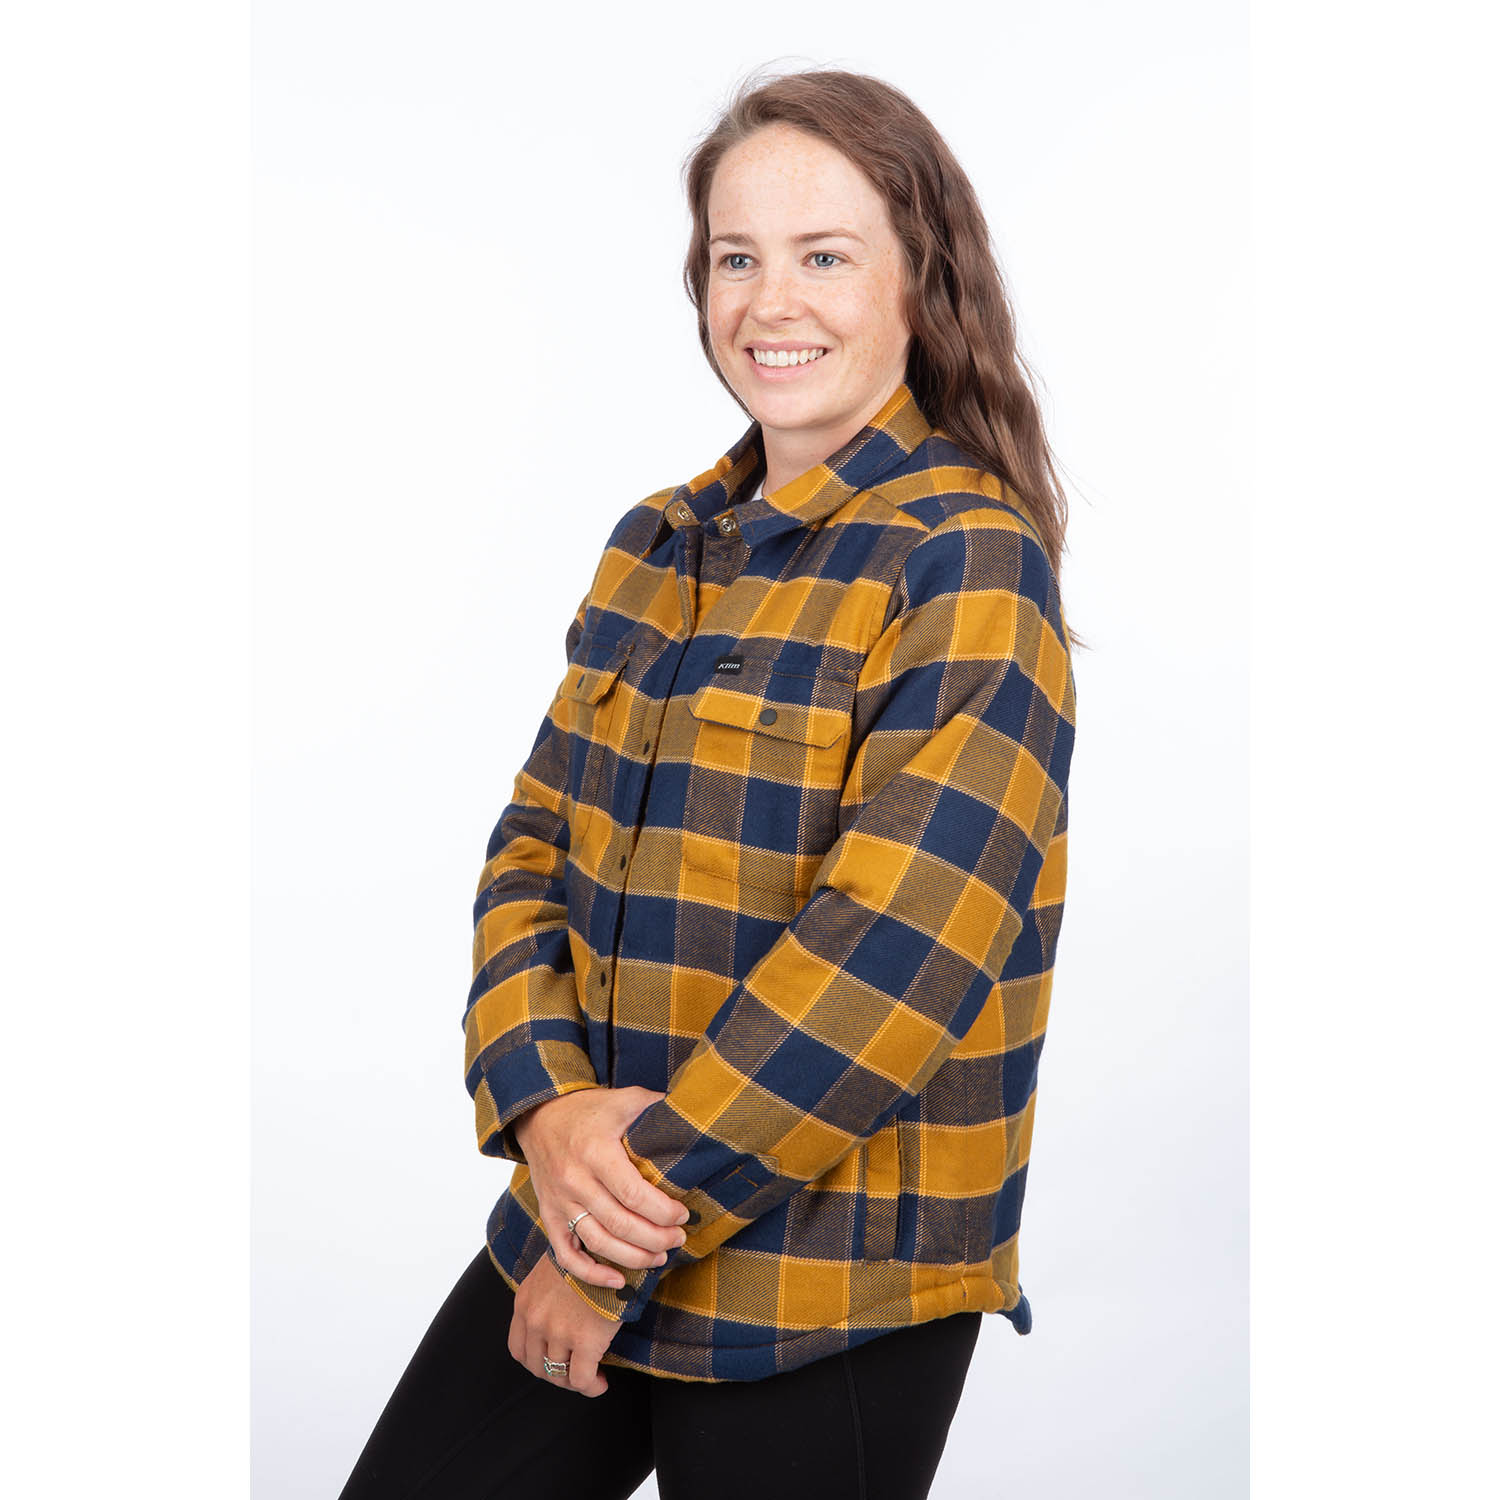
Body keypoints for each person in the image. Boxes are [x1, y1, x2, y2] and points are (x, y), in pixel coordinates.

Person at [338, 63, 1079, 1500]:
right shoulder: (657, 541)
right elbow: (531, 848)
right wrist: (547, 1113)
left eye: (824, 256)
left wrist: (603, 1249)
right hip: (578, 1206)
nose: (769, 301)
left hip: (823, 1287)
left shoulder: (968, 561)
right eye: (737, 258)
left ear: (921, 283)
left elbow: (888, 963)